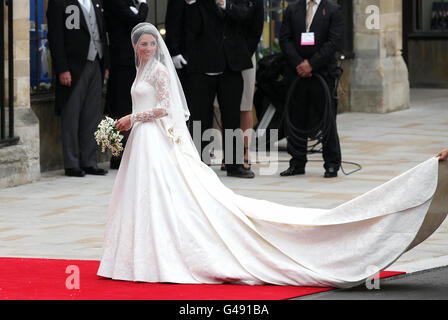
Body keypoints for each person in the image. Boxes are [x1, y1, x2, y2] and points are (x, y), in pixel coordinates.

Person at [97, 23, 447, 288]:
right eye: (141, 44)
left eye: (150, 43)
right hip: (142, 142)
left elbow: (165, 107)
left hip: (152, 135)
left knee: (165, 193)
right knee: (140, 195)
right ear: (134, 47)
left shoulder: (158, 71)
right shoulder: (140, 70)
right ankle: (135, 252)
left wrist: (132, 119)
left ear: (156, 47)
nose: (146, 48)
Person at [182, 0, 256, 179]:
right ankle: (201, 162)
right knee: (200, 116)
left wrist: (224, 4)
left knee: (232, 116)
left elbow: (246, 16)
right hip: (201, 66)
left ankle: (234, 164)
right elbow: (188, 26)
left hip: (231, 66)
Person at [279, 0, 343, 178]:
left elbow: (333, 41)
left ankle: (331, 163)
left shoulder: (332, 9)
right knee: (296, 118)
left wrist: (312, 64)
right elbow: (284, 38)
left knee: (326, 120)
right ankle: (297, 162)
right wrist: (299, 64)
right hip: (296, 73)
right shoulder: (292, 9)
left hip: (322, 74)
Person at [47, 0, 109, 177]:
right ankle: (71, 163)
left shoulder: (96, 2)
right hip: (73, 67)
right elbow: (55, 38)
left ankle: (89, 161)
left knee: (92, 116)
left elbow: (103, 33)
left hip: (96, 62)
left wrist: (106, 64)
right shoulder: (59, 3)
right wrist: (62, 68)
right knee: (71, 116)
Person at [103, 0, 148, 169]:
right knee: (119, 107)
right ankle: (117, 154)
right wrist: (143, 5)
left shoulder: (130, 3)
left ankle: (130, 152)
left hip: (131, 62)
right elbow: (138, 21)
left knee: (131, 106)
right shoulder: (118, 3)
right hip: (120, 62)